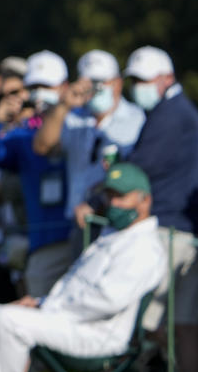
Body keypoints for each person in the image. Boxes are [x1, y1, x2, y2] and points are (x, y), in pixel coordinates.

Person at [0, 163, 164, 372]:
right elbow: (74, 291)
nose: (112, 203)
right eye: (109, 195)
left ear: (145, 202)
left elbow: (107, 300)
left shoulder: (144, 247)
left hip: (99, 336)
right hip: (69, 320)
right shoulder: (115, 236)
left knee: (8, 321)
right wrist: (39, 302)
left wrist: (46, 307)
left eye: (120, 196)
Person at [123, 45, 198, 372]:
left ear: (166, 78)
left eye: (144, 80)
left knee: (152, 326)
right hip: (182, 233)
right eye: (134, 81)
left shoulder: (171, 115)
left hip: (168, 234)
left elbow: (138, 170)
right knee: (183, 327)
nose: (138, 87)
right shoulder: (173, 112)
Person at [32, 49, 145, 257]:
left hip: (116, 224)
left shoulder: (137, 119)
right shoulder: (73, 117)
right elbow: (42, 147)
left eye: (101, 82)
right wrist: (63, 105)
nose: (95, 89)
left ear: (117, 83)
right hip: (80, 225)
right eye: (89, 83)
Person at [0, 51, 72, 298]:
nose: (39, 92)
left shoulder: (80, 127)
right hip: (43, 243)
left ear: (63, 86)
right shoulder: (23, 138)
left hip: (79, 237)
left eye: (46, 85)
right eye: (33, 86)